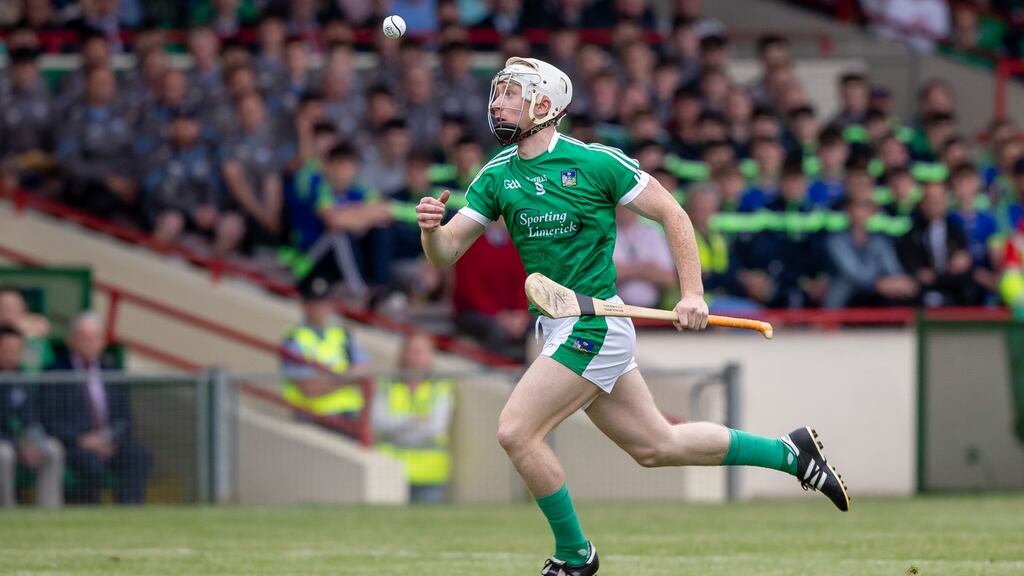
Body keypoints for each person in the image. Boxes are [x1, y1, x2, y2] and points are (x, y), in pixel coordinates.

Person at [416, 57, 851, 576]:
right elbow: (446, 254)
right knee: (657, 446)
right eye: (498, 93)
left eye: (511, 93)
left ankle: (576, 556)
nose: (498, 102)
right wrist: (429, 230)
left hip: (594, 324)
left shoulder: (598, 162)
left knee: (515, 430)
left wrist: (692, 293)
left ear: (545, 105)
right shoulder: (496, 175)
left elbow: (674, 213)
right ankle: (790, 453)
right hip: (556, 326)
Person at [41, 313, 150, 504]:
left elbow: (125, 417)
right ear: (71, 340)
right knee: (91, 464)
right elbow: (48, 417)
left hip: (109, 443)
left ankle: (130, 514)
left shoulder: (112, 372)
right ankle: (89, 514)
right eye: (83, 337)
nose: (89, 343)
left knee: (137, 455)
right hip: (75, 445)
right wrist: (80, 440)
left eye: (94, 338)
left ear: (102, 342)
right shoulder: (54, 372)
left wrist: (111, 438)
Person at [280, 276, 371, 440]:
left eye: (325, 302)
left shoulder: (343, 336)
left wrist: (327, 379)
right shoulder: (294, 341)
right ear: (304, 305)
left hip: (350, 419)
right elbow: (309, 388)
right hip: (313, 420)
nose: (321, 308)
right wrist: (346, 377)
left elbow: (365, 372)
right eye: (315, 303)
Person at [372, 332, 454, 504]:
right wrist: (413, 420)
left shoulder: (440, 387)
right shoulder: (387, 384)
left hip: (429, 474)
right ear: (404, 354)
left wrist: (397, 425)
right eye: (414, 351)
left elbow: (436, 429)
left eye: (423, 352)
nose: (418, 357)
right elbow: (379, 424)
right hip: (389, 470)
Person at [0, 325, 64, 508]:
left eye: (16, 350)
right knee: (3, 454)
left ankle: (48, 509)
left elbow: (31, 417)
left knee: (52, 449)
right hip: (5, 442)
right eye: (6, 350)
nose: (11, 355)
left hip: (22, 441)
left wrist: (32, 441)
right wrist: (18, 443)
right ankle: (6, 509)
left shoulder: (23, 378)